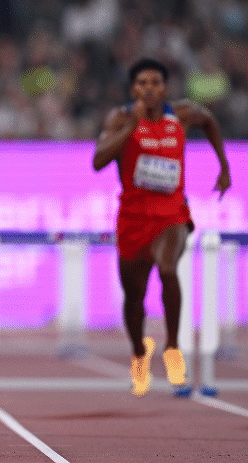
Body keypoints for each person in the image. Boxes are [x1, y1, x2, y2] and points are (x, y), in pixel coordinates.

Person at [93, 58, 230, 396]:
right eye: (142, 83)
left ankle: (172, 347)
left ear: (165, 88)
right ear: (133, 90)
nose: (149, 89)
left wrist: (224, 167)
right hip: (133, 217)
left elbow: (210, 121)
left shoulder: (181, 114)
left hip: (172, 213)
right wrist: (130, 128)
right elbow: (98, 161)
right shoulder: (121, 118)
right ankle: (139, 352)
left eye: (155, 83)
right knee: (134, 298)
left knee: (168, 268)